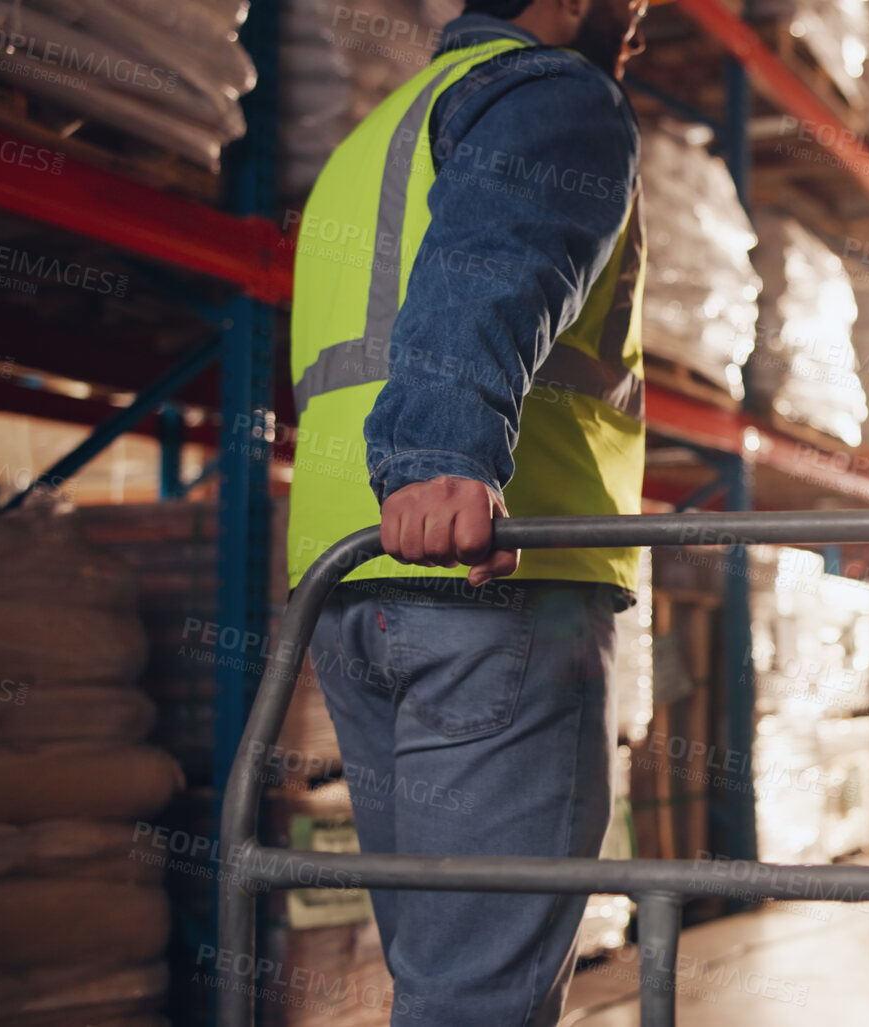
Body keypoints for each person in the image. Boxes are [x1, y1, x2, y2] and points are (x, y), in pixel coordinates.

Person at [284, 0, 650, 1022]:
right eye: (632, 5)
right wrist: (444, 456)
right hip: (494, 580)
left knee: (441, 977)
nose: (640, 31)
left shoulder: (378, 133)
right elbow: (496, 261)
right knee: (478, 993)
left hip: (351, 587)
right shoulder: (549, 95)